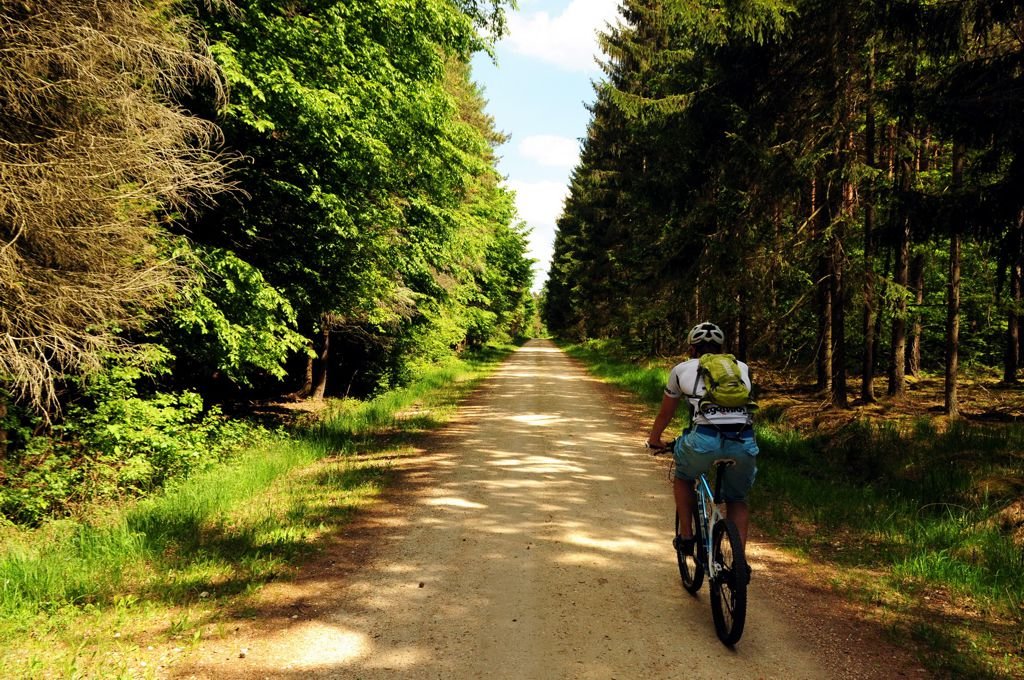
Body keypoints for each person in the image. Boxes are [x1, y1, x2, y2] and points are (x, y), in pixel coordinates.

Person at [646, 321, 758, 557]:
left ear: (692, 349)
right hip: (743, 441)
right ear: (721, 348)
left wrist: (655, 439)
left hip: (703, 441)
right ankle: (739, 563)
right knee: (737, 499)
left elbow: (666, 413)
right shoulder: (742, 369)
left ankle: (686, 537)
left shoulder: (681, 369)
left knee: (684, 476)